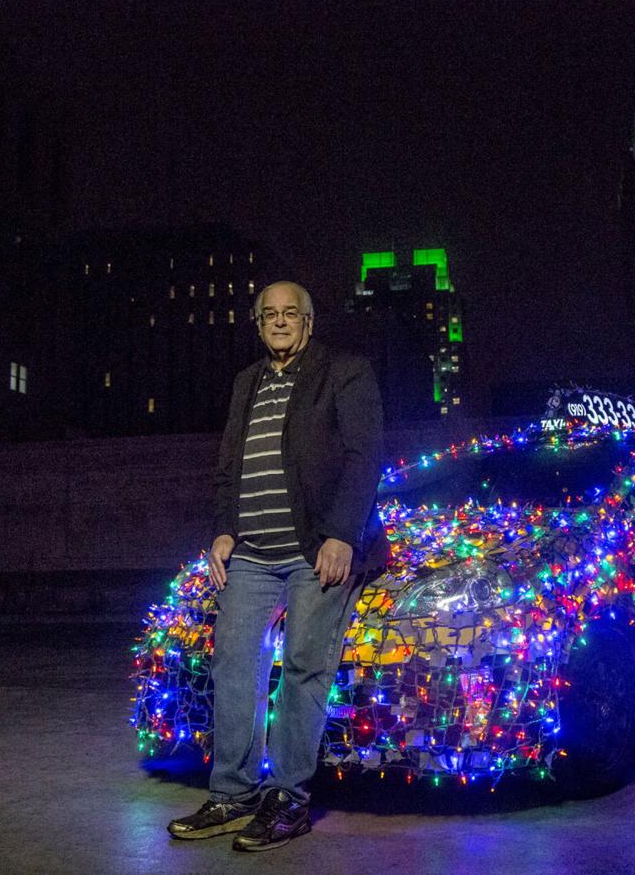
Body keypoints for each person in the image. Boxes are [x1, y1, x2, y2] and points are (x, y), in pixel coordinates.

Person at [167, 280, 388, 851]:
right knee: (234, 665)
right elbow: (227, 466)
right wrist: (222, 528)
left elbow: (366, 458)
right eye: (270, 314)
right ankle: (233, 795)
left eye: (292, 313)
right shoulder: (247, 382)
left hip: (316, 553)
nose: (281, 321)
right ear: (258, 323)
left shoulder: (345, 372)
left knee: (303, 670)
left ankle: (289, 800)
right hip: (252, 556)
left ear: (309, 322)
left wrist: (342, 534)